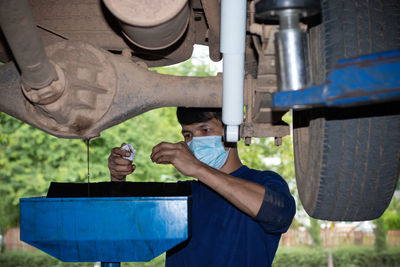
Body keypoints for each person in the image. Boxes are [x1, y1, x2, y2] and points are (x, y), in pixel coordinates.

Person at [108, 107, 296, 267]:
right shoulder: (182, 195)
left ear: (232, 131)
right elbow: (124, 229)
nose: (194, 141)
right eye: (188, 135)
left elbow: (280, 214)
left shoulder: (264, 181)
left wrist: (198, 169)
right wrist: (117, 180)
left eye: (205, 130)